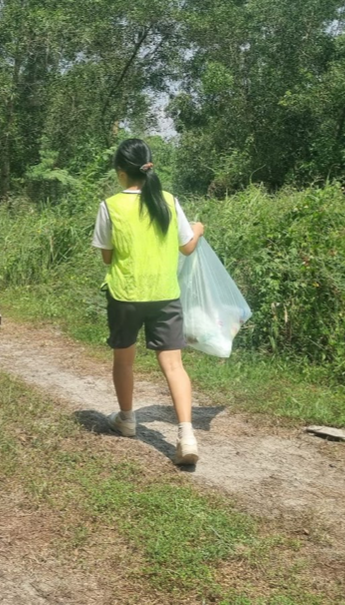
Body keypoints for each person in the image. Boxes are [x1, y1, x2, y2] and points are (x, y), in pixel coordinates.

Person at [91, 138, 205, 465]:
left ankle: (127, 419)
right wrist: (197, 230)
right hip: (165, 293)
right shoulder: (168, 200)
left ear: (120, 172)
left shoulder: (110, 206)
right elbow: (187, 247)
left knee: (124, 360)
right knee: (174, 365)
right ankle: (186, 436)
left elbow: (107, 257)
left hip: (125, 294)